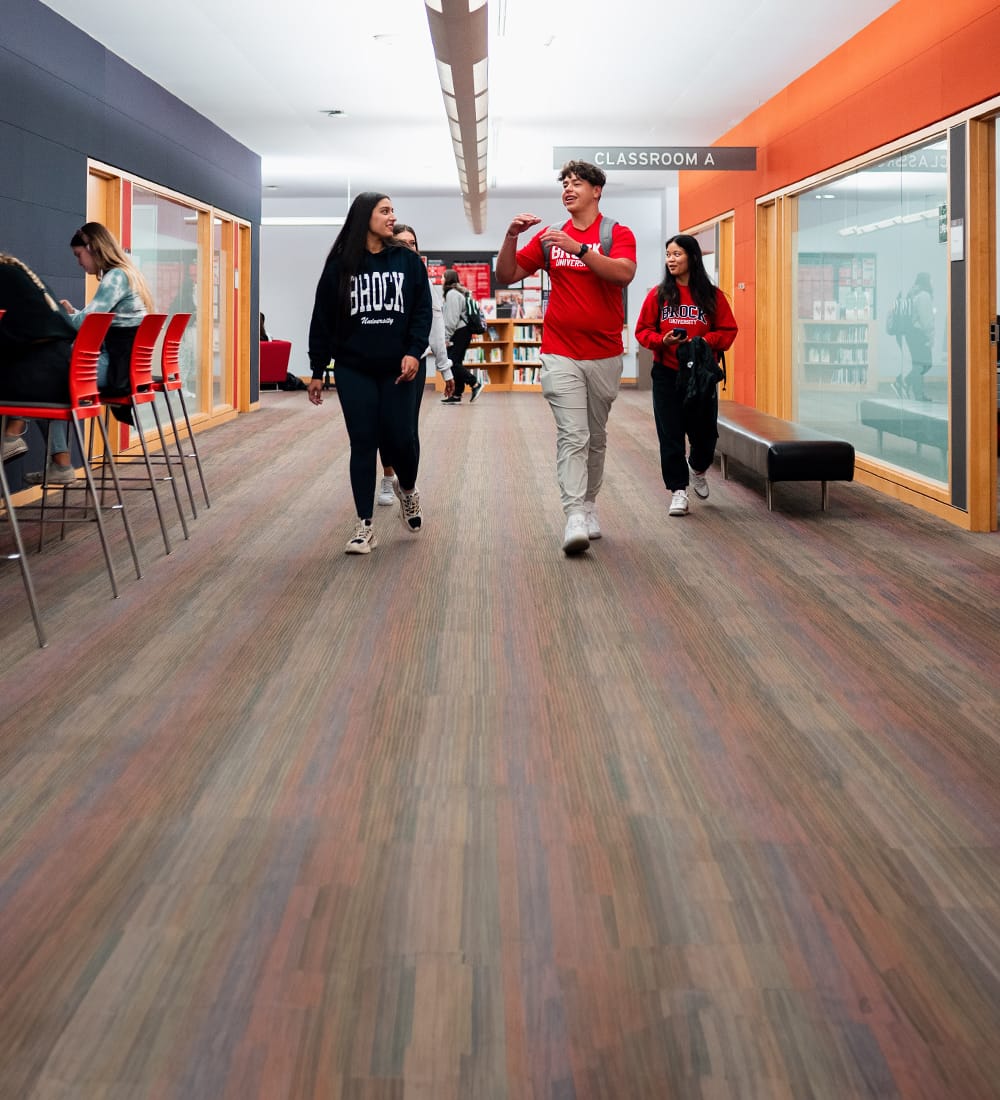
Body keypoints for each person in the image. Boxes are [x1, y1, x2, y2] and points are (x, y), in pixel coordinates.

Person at [496, 159, 636, 555]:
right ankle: (574, 514)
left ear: (597, 191)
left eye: (578, 183)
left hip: (605, 352)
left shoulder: (615, 232)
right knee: (572, 434)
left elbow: (622, 273)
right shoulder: (549, 237)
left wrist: (582, 250)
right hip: (560, 351)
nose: (569, 189)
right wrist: (510, 236)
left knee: (595, 437)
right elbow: (506, 275)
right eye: (566, 184)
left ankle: (590, 504)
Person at [307, 192, 431, 554]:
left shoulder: (407, 261)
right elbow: (323, 320)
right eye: (385, 211)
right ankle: (364, 526)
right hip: (354, 368)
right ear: (365, 217)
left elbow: (422, 311)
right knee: (362, 442)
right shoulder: (340, 267)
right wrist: (317, 368)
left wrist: (413, 351)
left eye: (393, 211)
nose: (393, 217)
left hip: (400, 369)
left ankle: (407, 489)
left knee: (400, 439)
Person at [22, 222, 152, 485]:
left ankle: (21, 437)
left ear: (93, 248)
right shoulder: (128, 274)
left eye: (78, 255)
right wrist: (74, 315)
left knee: (40, 379)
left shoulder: (116, 276)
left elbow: (87, 323)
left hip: (116, 366)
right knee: (51, 380)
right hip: (126, 367)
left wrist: (58, 316)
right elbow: (95, 320)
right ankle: (56, 461)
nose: (79, 262)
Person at [634, 234, 738, 517]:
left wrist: (706, 341)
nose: (671, 259)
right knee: (670, 435)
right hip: (667, 374)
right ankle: (678, 491)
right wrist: (662, 341)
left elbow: (728, 331)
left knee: (705, 437)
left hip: (701, 376)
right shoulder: (659, 295)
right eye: (668, 254)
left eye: (677, 254)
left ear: (692, 257)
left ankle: (698, 468)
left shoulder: (712, 296)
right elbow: (642, 331)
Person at [375, 223, 454, 506]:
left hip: (414, 363)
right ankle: (388, 477)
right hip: (382, 363)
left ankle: (408, 488)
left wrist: (445, 369)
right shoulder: (378, 277)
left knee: (407, 429)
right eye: (403, 243)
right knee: (384, 425)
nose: (410, 249)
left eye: (413, 243)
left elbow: (435, 324)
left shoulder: (423, 281)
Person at [1, 252, 76, 462]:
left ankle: (13, 432)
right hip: (62, 379)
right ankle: (61, 464)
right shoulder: (23, 277)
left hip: (47, 383)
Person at [440, 269, 484, 404]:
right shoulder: (458, 293)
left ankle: (475, 383)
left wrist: (446, 338)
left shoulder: (452, 294)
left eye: (443, 277)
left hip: (459, 332)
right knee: (456, 361)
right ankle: (457, 394)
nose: (441, 280)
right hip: (463, 331)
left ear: (448, 279)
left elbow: (451, 319)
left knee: (452, 363)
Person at [894, 272, 935, 401]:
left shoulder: (913, 293)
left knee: (919, 364)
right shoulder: (924, 296)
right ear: (927, 281)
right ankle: (903, 382)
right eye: (931, 279)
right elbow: (926, 320)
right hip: (919, 334)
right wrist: (930, 337)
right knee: (925, 364)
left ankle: (917, 393)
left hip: (911, 333)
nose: (932, 282)